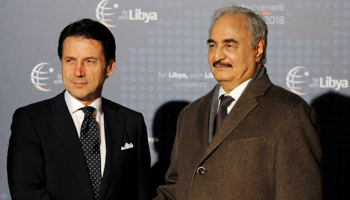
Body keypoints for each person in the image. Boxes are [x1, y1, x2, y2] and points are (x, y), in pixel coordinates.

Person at [154, 4, 321, 199]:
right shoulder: (190, 115)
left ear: (257, 48)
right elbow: (175, 190)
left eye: (229, 45)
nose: (217, 56)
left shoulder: (290, 113)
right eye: (212, 45)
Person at [7, 18, 150, 200]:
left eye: (89, 61)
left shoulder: (131, 122)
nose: (78, 71)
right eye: (70, 60)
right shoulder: (31, 120)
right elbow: (26, 192)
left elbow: (142, 193)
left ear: (110, 66)